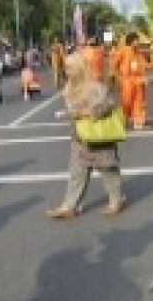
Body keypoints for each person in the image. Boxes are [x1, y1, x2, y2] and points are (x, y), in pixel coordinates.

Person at [46, 53, 126, 218]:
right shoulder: (69, 87)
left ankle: (116, 200)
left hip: (99, 136)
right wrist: (69, 113)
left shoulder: (95, 86)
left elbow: (109, 104)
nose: (66, 71)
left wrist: (88, 113)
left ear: (79, 69)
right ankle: (70, 206)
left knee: (108, 170)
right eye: (65, 67)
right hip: (81, 137)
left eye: (69, 68)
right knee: (77, 171)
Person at [113, 33, 150, 130]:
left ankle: (138, 121)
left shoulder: (138, 52)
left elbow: (143, 66)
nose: (138, 42)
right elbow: (114, 65)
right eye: (136, 40)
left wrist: (144, 77)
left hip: (138, 80)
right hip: (127, 81)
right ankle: (125, 119)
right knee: (127, 102)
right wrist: (118, 78)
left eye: (138, 40)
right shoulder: (122, 51)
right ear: (131, 41)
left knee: (139, 101)